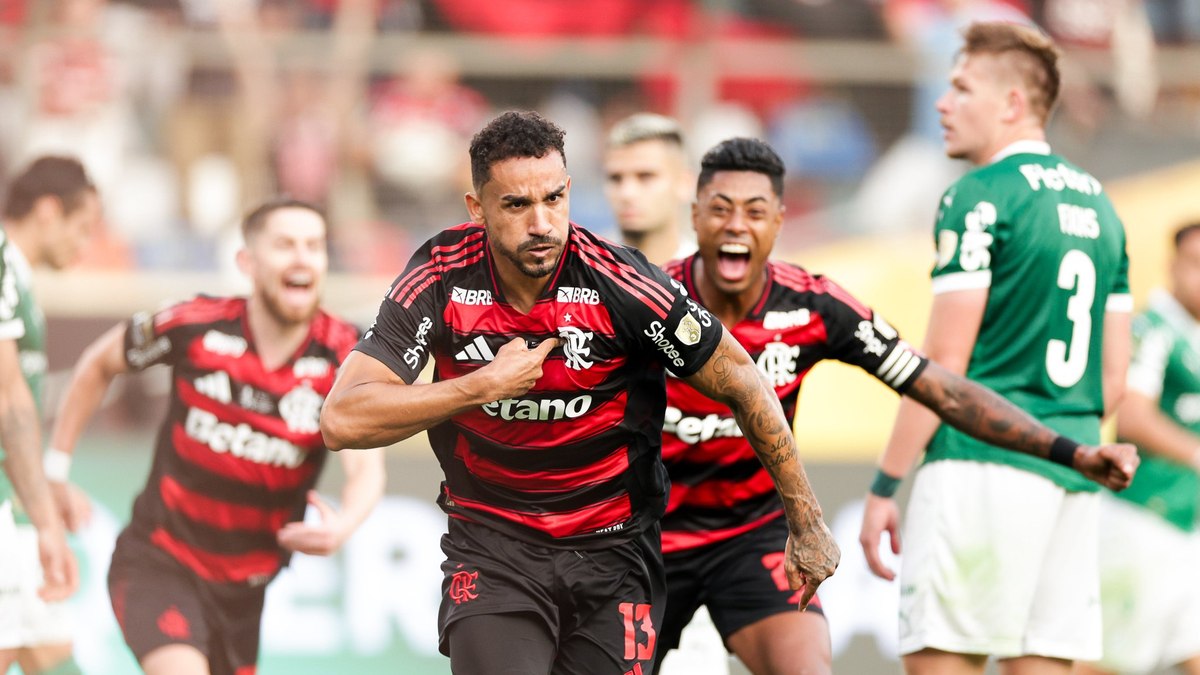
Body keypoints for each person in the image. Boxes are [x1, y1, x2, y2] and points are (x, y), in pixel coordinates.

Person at [318, 110, 840, 675]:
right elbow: (342, 420)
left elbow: (742, 379)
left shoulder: (621, 281)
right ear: (478, 209)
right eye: (516, 205)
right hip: (494, 551)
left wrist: (806, 523)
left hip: (615, 557)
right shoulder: (440, 275)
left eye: (553, 199)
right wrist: (478, 387)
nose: (541, 222)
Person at [659, 136, 1137, 675]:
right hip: (645, 536)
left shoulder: (815, 305)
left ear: (780, 221)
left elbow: (943, 389)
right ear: (695, 215)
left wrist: (1071, 452)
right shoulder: (649, 301)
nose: (735, 226)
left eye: (755, 211)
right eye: (719, 210)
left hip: (753, 537)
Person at [858, 22, 1134, 674]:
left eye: (960, 87)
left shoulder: (977, 198)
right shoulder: (1103, 208)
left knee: (943, 660)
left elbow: (944, 366)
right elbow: (1113, 379)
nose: (941, 102)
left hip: (977, 467)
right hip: (1072, 471)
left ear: (1012, 103)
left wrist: (884, 485)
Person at [47, 197, 386, 675]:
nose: (302, 258)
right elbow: (98, 363)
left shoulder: (346, 354)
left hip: (245, 593)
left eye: (314, 246)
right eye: (285, 245)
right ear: (246, 263)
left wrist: (345, 524)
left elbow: (366, 466)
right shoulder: (194, 324)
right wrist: (56, 469)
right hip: (159, 561)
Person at [1076, 222, 1200, 675]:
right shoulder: (1154, 328)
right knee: (1108, 662)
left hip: (1189, 526)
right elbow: (1132, 417)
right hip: (1143, 520)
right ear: (1173, 267)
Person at [0, 156, 96, 674]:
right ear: (46, 211)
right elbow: (7, 401)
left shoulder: (18, 278)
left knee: (53, 656)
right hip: (11, 513)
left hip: (14, 501)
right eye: (82, 228)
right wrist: (41, 517)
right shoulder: (3, 263)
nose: (85, 246)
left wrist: (40, 484)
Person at [603, 112, 694, 265]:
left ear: (684, 184)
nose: (627, 193)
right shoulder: (581, 271)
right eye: (616, 178)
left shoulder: (707, 280)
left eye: (645, 176)